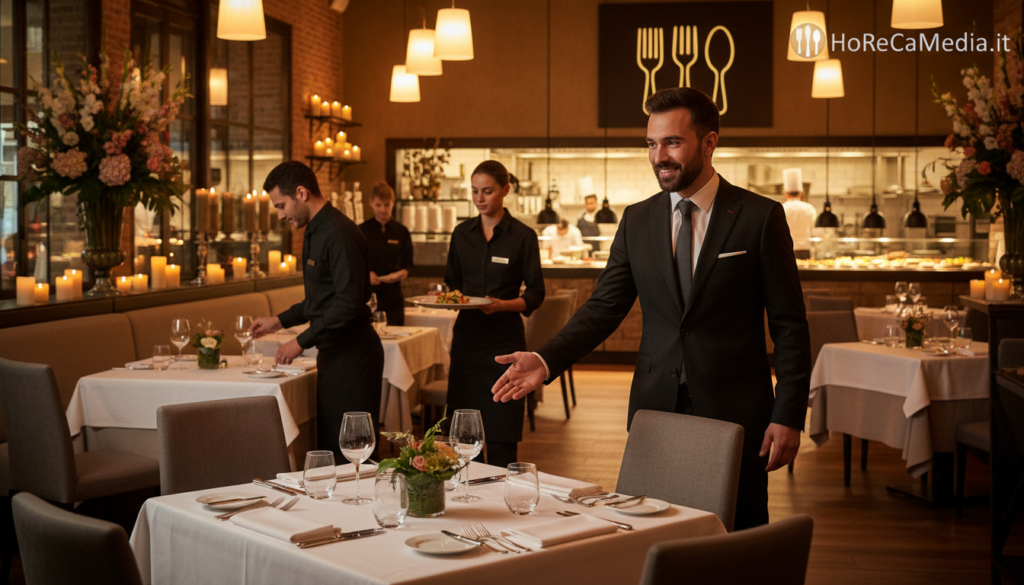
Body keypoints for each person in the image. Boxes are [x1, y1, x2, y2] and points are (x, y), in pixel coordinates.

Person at [490, 88, 811, 530]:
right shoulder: (637, 220)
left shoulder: (759, 217)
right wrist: (546, 359)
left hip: (737, 411)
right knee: (656, 533)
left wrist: (789, 414)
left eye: (673, 143)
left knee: (737, 536)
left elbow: (790, 324)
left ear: (710, 142)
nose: (659, 155)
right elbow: (604, 307)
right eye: (651, 143)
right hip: (656, 410)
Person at [250, 161, 384, 460]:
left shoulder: (339, 233)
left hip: (354, 356)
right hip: (334, 354)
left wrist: (300, 341)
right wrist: (278, 321)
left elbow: (348, 303)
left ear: (301, 192)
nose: (280, 214)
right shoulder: (316, 230)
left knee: (351, 454)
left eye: (281, 205)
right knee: (332, 449)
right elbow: (320, 302)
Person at [445, 160, 545, 468]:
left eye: (487, 191)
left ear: (505, 190)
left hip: (505, 344)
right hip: (467, 343)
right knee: (462, 436)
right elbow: (452, 284)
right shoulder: (461, 234)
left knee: (501, 434)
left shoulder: (523, 236)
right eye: (474, 191)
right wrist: (454, 299)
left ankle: (505, 502)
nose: (479, 198)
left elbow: (535, 294)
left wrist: (501, 305)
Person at [359, 181, 413, 326]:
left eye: (386, 205)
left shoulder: (401, 231)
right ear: (371, 203)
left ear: (393, 203)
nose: (383, 209)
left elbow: (409, 264)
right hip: (368, 296)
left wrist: (403, 273)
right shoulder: (362, 231)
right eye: (378, 205)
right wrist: (366, 274)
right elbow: (354, 262)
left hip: (393, 296)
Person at [781, 168, 816, 260]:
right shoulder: (809, 208)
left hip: (786, 250)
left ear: (786, 194)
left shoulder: (782, 209)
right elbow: (817, 232)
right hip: (805, 251)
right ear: (800, 194)